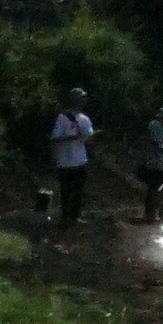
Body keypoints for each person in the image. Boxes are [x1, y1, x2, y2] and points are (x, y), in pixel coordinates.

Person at [45, 85, 96, 231]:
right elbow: (55, 139)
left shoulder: (85, 119)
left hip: (80, 160)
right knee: (66, 191)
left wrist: (86, 137)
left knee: (78, 191)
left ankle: (74, 217)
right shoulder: (62, 118)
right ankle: (66, 217)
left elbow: (90, 139)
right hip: (66, 161)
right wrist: (74, 137)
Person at [130, 104, 163, 231]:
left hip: (158, 163)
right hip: (155, 164)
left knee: (158, 189)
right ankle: (151, 215)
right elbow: (158, 145)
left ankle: (156, 214)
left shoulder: (157, 126)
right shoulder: (156, 126)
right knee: (156, 189)